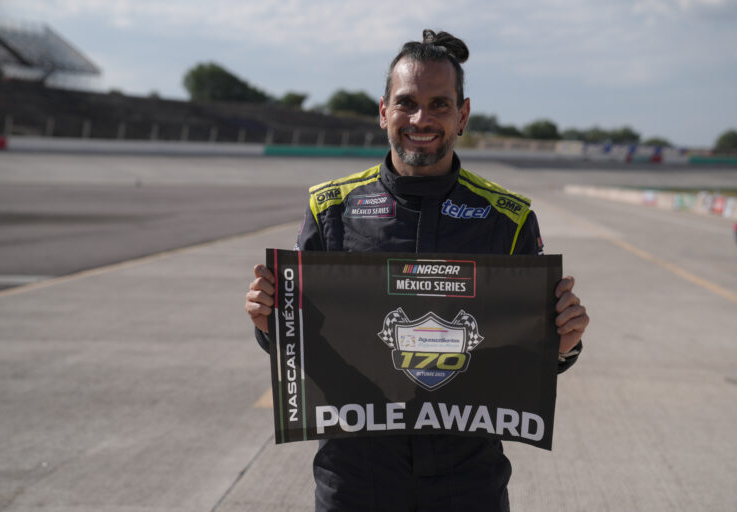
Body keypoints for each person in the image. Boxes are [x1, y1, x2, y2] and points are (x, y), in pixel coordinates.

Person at [245, 29, 590, 512]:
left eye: (439, 105)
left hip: (467, 472)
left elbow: (528, 354)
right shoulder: (333, 209)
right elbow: (305, 340)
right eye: (406, 103)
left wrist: (563, 347)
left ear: (462, 114)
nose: (421, 119)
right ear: (383, 110)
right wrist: (269, 326)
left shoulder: (507, 220)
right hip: (355, 468)